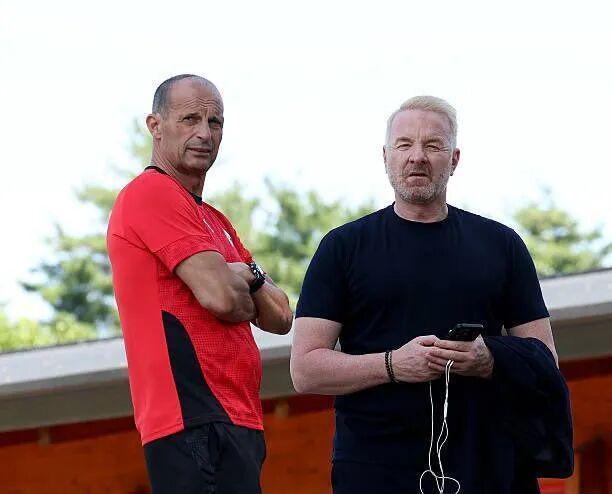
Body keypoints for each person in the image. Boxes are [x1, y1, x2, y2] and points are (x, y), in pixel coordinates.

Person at [290, 96, 568, 493]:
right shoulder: (342, 247)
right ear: (386, 157)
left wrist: (489, 358)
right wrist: (392, 365)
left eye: (432, 145)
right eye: (404, 144)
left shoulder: (502, 244)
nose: (417, 157)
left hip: (486, 465)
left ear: (454, 159)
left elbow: (545, 359)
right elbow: (305, 370)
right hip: (376, 468)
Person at [107, 74, 293, 494]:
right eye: (190, 119)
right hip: (190, 417)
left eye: (215, 122)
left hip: (239, 417)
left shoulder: (215, 220)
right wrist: (237, 280)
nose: (204, 134)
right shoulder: (150, 192)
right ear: (155, 126)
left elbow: (281, 317)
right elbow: (224, 298)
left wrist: (245, 275)